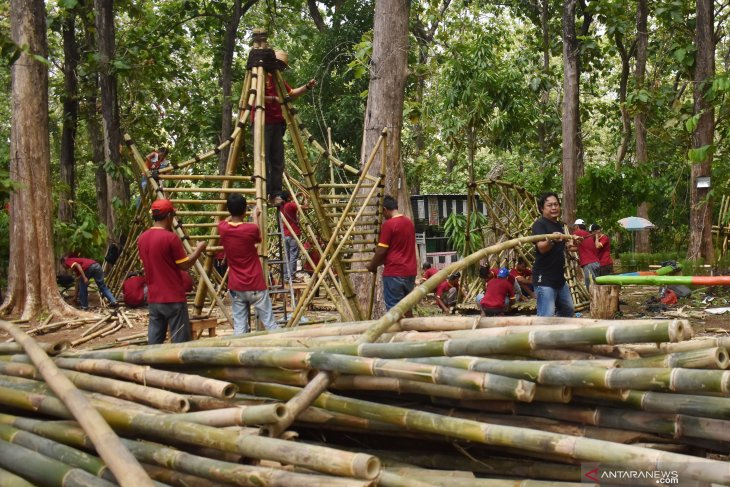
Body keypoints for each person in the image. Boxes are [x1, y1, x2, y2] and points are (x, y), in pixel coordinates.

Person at [138, 199, 207, 344]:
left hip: (154, 298)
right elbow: (184, 265)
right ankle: (178, 367)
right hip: (173, 298)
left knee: (154, 342)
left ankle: (153, 365)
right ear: (169, 216)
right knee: (180, 342)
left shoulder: (142, 238)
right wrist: (199, 250)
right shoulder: (171, 238)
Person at [252, 51, 317, 201]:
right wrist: (275, 99)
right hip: (262, 122)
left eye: (282, 66)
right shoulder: (260, 76)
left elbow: (291, 93)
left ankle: (275, 192)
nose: (280, 68)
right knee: (263, 158)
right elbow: (255, 97)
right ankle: (264, 191)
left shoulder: (278, 78)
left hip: (277, 123)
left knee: (277, 160)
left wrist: (307, 86)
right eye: (279, 64)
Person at [219, 194, 278, 335]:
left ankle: (239, 353)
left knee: (240, 327)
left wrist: (233, 215)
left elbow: (226, 221)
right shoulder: (250, 229)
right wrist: (255, 216)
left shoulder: (223, 228)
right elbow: (258, 238)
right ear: (245, 210)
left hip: (237, 285)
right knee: (270, 324)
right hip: (255, 283)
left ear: (228, 210)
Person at [366, 195, 417, 315]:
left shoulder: (389, 225)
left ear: (385, 209)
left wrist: (372, 265)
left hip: (394, 272)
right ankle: (412, 332)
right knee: (407, 307)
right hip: (410, 271)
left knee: (394, 309)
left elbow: (381, 250)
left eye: (382, 213)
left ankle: (398, 333)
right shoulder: (408, 222)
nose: (383, 216)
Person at [531, 192, 577, 318]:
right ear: (542, 208)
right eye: (549, 205)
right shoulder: (539, 224)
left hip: (559, 278)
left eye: (556, 204)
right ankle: (541, 337)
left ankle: (557, 334)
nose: (554, 208)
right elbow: (541, 248)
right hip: (544, 278)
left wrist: (570, 246)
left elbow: (563, 247)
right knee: (546, 315)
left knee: (568, 309)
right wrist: (551, 240)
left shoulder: (558, 225)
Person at [278, 191, 306, 282]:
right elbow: (305, 207)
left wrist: (297, 195)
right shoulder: (290, 205)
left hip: (285, 234)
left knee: (287, 256)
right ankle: (292, 276)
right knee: (294, 255)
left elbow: (291, 202)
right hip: (293, 233)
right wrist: (306, 198)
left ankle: (286, 276)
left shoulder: (282, 206)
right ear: (289, 197)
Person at [573, 218, 600, 289]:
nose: (574, 228)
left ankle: (594, 299)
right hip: (596, 263)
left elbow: (570, 244)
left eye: (574, 226)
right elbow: (578, 248)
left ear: (577, 226)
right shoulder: (588, 235)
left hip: (589, 264)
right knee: (597, 284)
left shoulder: (577, 233)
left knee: (591, 286)